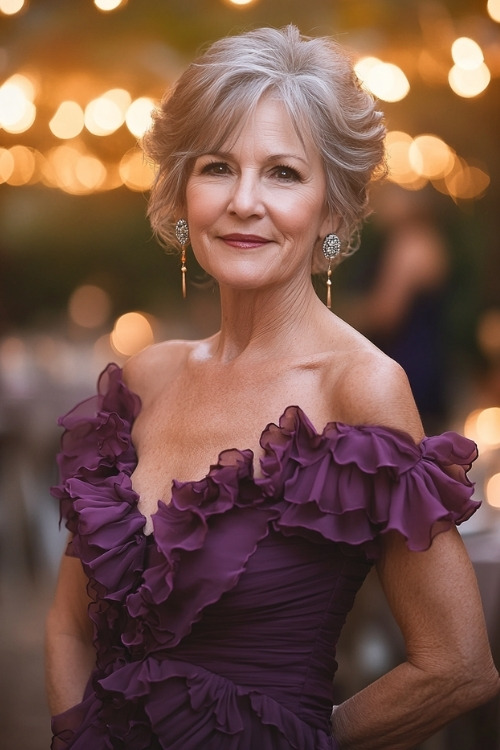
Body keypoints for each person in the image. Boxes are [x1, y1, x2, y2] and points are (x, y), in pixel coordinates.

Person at [45, 25, 499, 750]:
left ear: (332, 209)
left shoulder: (363, 388)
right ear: (182, 190)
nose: (244, 202)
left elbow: (458, 668)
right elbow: (69, 624)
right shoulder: (144, 377)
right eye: (218, 167)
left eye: (284, 173)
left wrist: (295, 740)